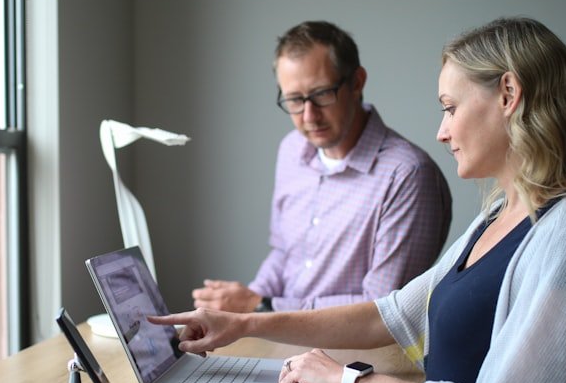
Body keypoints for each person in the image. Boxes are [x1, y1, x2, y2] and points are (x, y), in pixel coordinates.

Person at [157, 17, 566, 383]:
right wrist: (240, 323)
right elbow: (387, 313)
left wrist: (348, 382)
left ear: (509, 94)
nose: (442, 130)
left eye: (450, 108)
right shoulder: (496, 217)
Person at [193, 21, 452, 313]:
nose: (308, 116)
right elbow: (283, 254)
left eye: (321, 94)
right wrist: (240, 305)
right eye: (293, 99)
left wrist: (262, 307)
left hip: (353, 356)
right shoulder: (291, 149)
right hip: (279, 339)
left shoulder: (407, 174)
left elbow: (381, 309)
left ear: (356, 82)